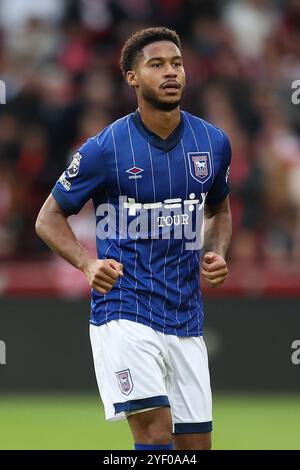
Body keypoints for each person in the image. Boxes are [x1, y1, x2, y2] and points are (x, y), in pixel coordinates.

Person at [36, 27, 232, 451]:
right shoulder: (104, 149)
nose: (171, 72)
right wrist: (88, 264)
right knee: (154, 434)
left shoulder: (212, 143)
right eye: (157, 64)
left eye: (177, 63)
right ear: (132, 78)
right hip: (125, 309)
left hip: (184, 314)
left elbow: (219, 209)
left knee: (195, 447)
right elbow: (48, 217)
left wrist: (216, 251)